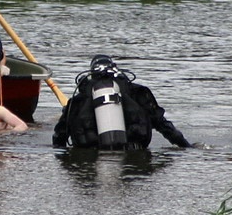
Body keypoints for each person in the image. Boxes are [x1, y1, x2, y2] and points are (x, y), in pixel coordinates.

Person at [52, 55, 192, 150]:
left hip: (92, 152)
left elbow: (59, 137)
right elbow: (165, 127)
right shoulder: (136, 92)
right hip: (133, 152)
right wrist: (187, 147)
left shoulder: (78, 100)